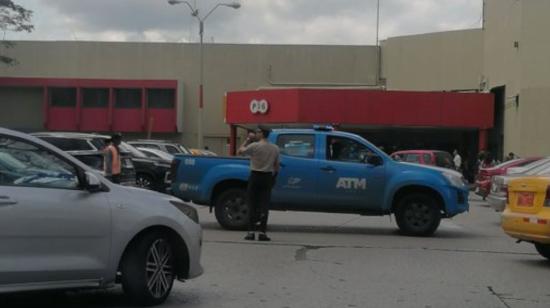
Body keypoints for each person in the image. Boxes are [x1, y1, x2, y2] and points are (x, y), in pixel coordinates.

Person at [238, 127, 280, 241]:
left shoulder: (254, 146)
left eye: (257, 132)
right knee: (264, 205)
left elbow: (240, 151)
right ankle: (262, 233)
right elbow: (277, 166)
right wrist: (274, 177)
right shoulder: (275, 148)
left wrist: (247, 140)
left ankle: (251, 232)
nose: (255, 134)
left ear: (261, 134)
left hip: (255, 176)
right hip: (267, 177)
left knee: (252, 204)